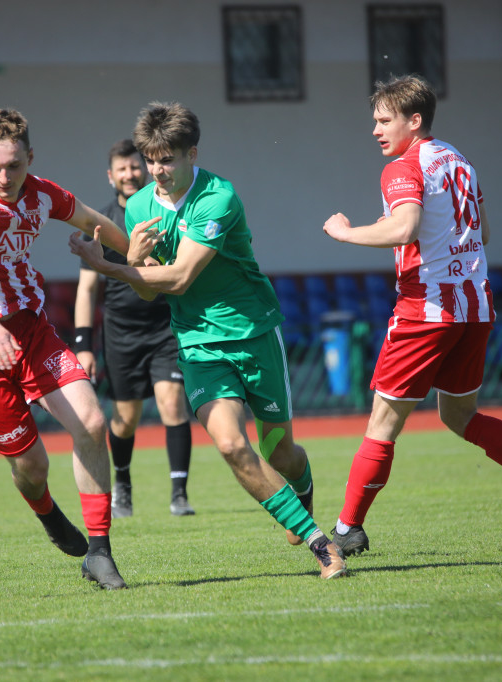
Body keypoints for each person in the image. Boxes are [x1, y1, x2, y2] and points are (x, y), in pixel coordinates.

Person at [70, 101, 347, 579]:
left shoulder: (218, 196)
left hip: (254, 333)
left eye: (167, 159)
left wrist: (110, 265)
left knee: (281, 453)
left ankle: (301, 486)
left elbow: (177, 279)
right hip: (198, 345)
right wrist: (135, 264)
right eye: (151, 159)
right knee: (230, 445)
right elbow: (148, 289)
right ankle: (321, 545)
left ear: (191, 153)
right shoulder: (137, 207)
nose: (156, 170)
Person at [321, 75, 502, 556]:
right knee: (460, 415)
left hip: (425, 310)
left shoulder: (403, 165)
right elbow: (477, 229)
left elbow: (405, 228)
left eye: (384, 120)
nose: (376, 130)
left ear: (413, 121)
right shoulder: (459, 160)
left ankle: (346, 529)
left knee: (382, 423)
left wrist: (346, 232)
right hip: (475, 306)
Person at [0, 108, 134, 589]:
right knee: (32, 465)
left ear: (30, 158)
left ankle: (100, 552)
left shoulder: (43, 194)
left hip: (28, 327)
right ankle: (47, 514)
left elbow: (95, 221)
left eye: (14, 166)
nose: (4, 177)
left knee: (92, 421)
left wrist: (133, 256)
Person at [74, 139, 194, 518]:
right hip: (121, 333)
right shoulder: (104, 223)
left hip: (164, 327)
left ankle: (179, 493)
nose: (130, 174)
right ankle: (122, 484)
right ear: (111, 176)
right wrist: (83, 345)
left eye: (134, 167)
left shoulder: (161, 213)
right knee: (125, 418)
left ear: (146, 169)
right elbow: (87, 288)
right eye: (121, 169)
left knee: (172, 404)